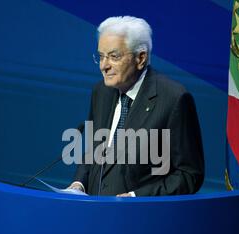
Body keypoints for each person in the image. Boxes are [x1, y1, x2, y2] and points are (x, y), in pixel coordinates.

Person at [68, 16, 204, 196]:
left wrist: (137, 198)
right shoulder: (101, 91)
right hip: (95, 214)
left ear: (141, 58)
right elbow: (94, 151)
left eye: (114, 56)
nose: (103, 66)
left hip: (141, 218)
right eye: (101, 56)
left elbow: (188, 175)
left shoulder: (174, 99)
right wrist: (79, 183)